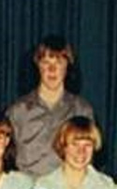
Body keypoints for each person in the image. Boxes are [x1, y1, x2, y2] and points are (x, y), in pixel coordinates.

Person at [7, 35, 95, 178]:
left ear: (68, 66)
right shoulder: (17, 111)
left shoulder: (82, 110)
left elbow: (88, 159)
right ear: (38, 65)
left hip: (67, 187)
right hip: (28, 187)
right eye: (46, 62)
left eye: (58, 62)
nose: (52, 69)